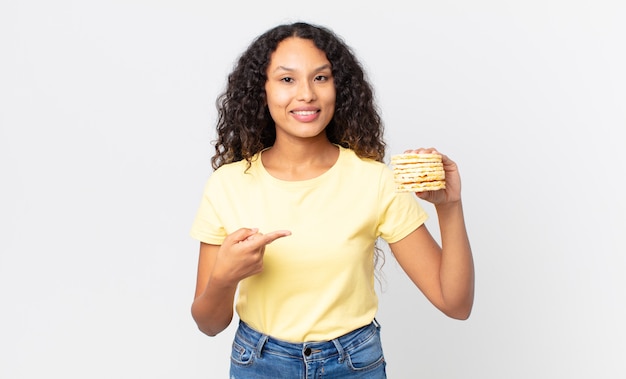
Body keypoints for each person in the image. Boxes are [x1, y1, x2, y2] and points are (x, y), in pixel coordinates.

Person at [189, 21, 474, 378]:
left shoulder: (374, 181)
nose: (306, 93)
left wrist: (449, 207)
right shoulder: (226, 185)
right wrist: (224, 279)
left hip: (353, 364)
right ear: (261, 91)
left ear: (339, 87)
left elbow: (456, 303)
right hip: (259, 364)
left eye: (321, 78)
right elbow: (209, 324)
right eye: (287, 79)